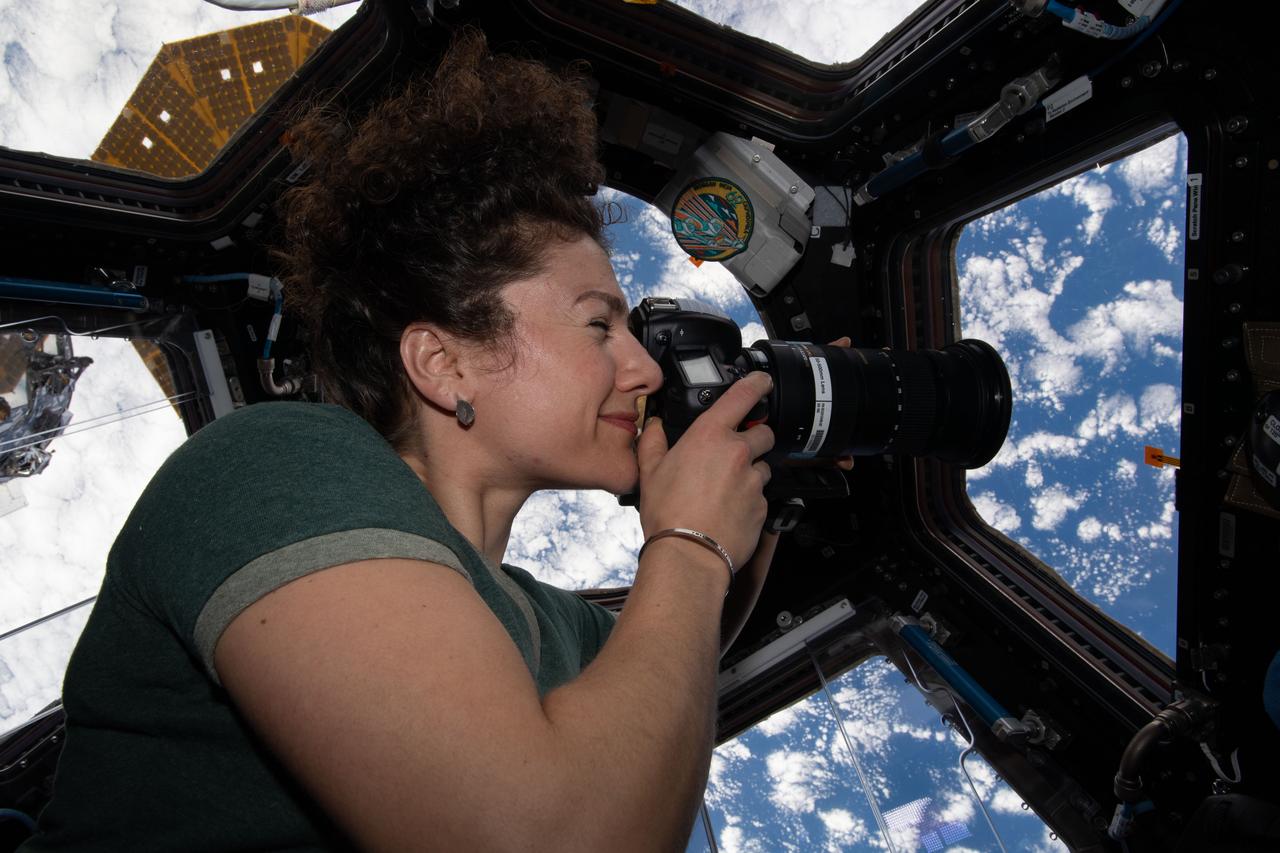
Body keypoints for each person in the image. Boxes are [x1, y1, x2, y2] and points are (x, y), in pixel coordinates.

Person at [19, 29, 780, 851]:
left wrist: (770, 468)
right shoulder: (274, 465)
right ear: (443, 361)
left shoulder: (557, 625)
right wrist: (690, 543)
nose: (640, 368)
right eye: (599, 324)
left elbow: (679, 657)